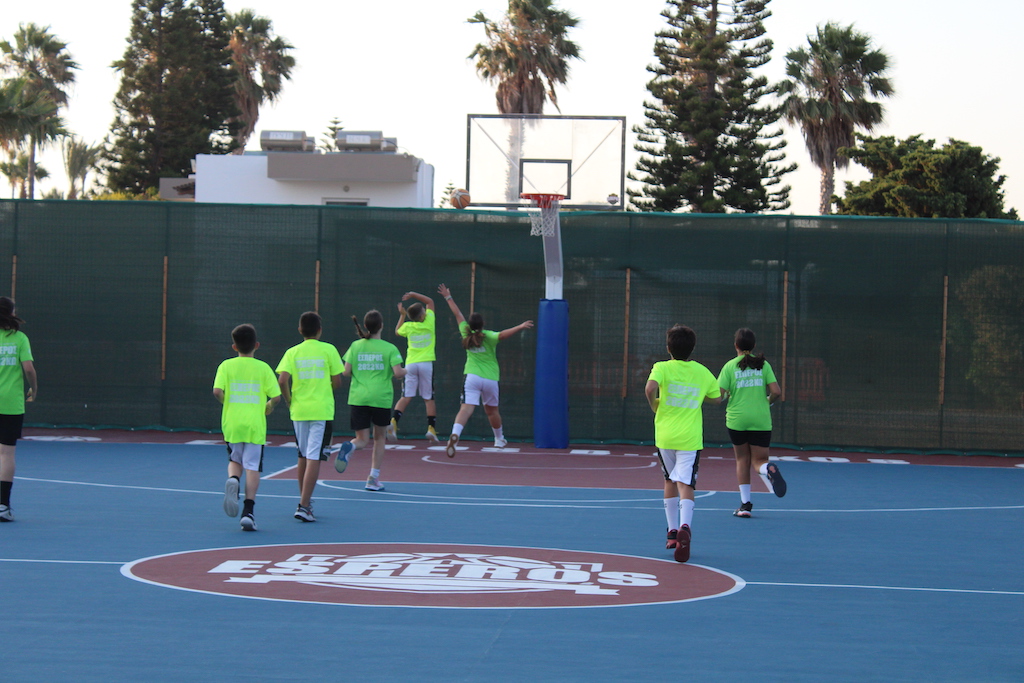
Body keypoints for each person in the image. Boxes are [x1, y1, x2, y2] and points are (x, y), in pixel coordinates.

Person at [645, 324, 721, 563]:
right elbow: (717, 398)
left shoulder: (661, 367)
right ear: (693, 348)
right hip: (689, 438)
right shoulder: (701, 371)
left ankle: (671, 532)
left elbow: (650, 388)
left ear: (668, 348)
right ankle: (685, 526)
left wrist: (654, 404)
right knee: (685, 483)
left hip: (665, 435)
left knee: (669, 480)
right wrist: (701, 395)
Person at [438, 283, 533, 457]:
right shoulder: (488, 336)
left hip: (472, 377)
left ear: (469, 324)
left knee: (465, 409)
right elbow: (503, 334)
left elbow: (457, 314)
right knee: (492, 411)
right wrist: (520, 326)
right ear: (483, 324)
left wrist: (448, 297)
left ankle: (455, 435)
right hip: (490, 378)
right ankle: (499, 439)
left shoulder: (465, 333)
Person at [213, 324, 281, 531]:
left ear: (234, 347)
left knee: (235, 460)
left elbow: (217, 391)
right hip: (255, 425)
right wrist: (269, 406)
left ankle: (233, 479)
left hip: (233, 423)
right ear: (256, 345)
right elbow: (276, 397)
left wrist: (227, 403)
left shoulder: (226, 366)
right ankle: (248, 512)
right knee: (252, 466)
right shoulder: (263, 368)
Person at [276, 311, 343, 523]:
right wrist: (324, 388)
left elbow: (282, 380)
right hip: (321, 410)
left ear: (300, 330)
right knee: (314, 457)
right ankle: (304, 506)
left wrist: (289, 400)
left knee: (303, 455)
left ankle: (304, 501)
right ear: (320, 330)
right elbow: (338, 382)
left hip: (299, 410)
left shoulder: (292, 352)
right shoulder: (329, 349)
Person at [334, 311, 406, 491]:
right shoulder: (390, 348)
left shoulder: (355, 346)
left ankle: (350, 447)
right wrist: (408, 370)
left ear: (366, 326)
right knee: (379, 438)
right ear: (381, 326)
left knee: (362, 439)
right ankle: (373, 478)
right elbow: (398, 373)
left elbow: (345, 372)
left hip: (359, 398)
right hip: (380, 398)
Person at [717, 328, 785, 518]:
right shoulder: (763, 365)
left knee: (742, 460)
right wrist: (767, 401)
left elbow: (719, 395)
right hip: (760, 419)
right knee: (759, 461)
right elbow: (776, 392)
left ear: (736, 345)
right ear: (753, 345)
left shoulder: (729, 366)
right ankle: (767, 469)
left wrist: (727, 395)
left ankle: (745, 505)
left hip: (737, 420)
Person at [0, 297, 37, 522]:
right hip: (10, 404)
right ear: (11, 313)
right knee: (6, 454)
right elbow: (29, 369)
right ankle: (2, 506)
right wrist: (34, 388)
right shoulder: (19, 338)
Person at [388, 291, 440, 442]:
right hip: (426, 364)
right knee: (428, 398)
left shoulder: (408, 326)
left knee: (406, 396)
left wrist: (402, 315)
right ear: (423, 315)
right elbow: (430, 301)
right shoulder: (429, 322)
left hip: (411, 364)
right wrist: (413, 295)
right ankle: (431, 429)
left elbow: (397, 331)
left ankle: (393, 422)